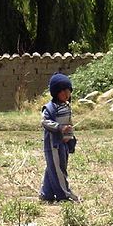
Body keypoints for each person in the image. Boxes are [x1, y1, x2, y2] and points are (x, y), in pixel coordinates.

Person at [40, 72, 79, 202]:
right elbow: (45, 122)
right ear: (56, 92)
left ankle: (46, 194)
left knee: (54, 167)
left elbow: (68, 122)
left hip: (64, 143)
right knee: (58, 168)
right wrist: (59, 128)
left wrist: (70, 136)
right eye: (64, 92)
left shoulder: (66, 106)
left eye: (69, 91)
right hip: (54, 144)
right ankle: (64, 194)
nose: (67, 95)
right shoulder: (50, 108)